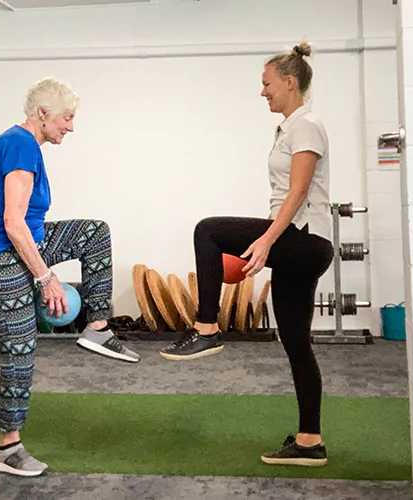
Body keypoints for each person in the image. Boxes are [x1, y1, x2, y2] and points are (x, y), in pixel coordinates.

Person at [159, 42, 333, 467]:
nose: (263, 92)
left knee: (209, 230)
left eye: (267, 84)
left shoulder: (305, 124)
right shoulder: (289, 127)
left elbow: (299, 192)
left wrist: (268, 240)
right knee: (295, 341)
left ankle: (206, 328)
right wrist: (267, 242)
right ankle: (310, 441)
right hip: (299, 241)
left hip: (305, 239)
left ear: (289, 83)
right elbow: (286, 198)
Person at [0, 76, 141, 477]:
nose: (71, 127)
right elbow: (12, 222)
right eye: (67, 118)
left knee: (94, 233)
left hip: (22, 243)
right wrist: (46, 278)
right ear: (43, 114)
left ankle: (96, 327)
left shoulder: (28, 146)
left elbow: (26, 224)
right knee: (20, 343)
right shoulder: (21, 144)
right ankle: (8, 448)